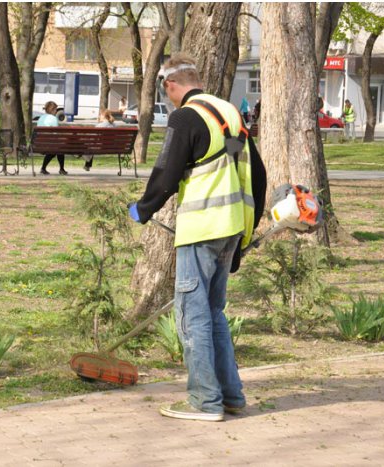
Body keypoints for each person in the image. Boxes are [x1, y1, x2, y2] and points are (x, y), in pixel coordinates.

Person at [128, 54, 266, 422]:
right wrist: (247, 230)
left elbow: (167, 170)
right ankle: (232, 397)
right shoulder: (229, 114)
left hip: (202, 228)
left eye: (166, 91)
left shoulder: (186, 116)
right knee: (213, 313)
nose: (168, 98)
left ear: (170, 85)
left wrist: (143, 209)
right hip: (232, 227)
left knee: (193, 316)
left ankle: (204, 402)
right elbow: (253, 170)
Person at [38, 101, 67, 175]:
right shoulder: (53, 119)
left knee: (55, 151)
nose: (56, 111)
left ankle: (43, 168)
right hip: (49, 143)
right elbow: (56, 133)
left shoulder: (41, 117)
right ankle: (61, 169)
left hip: (40, 144)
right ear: (52, 110)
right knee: (60, 149)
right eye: (56, 110)